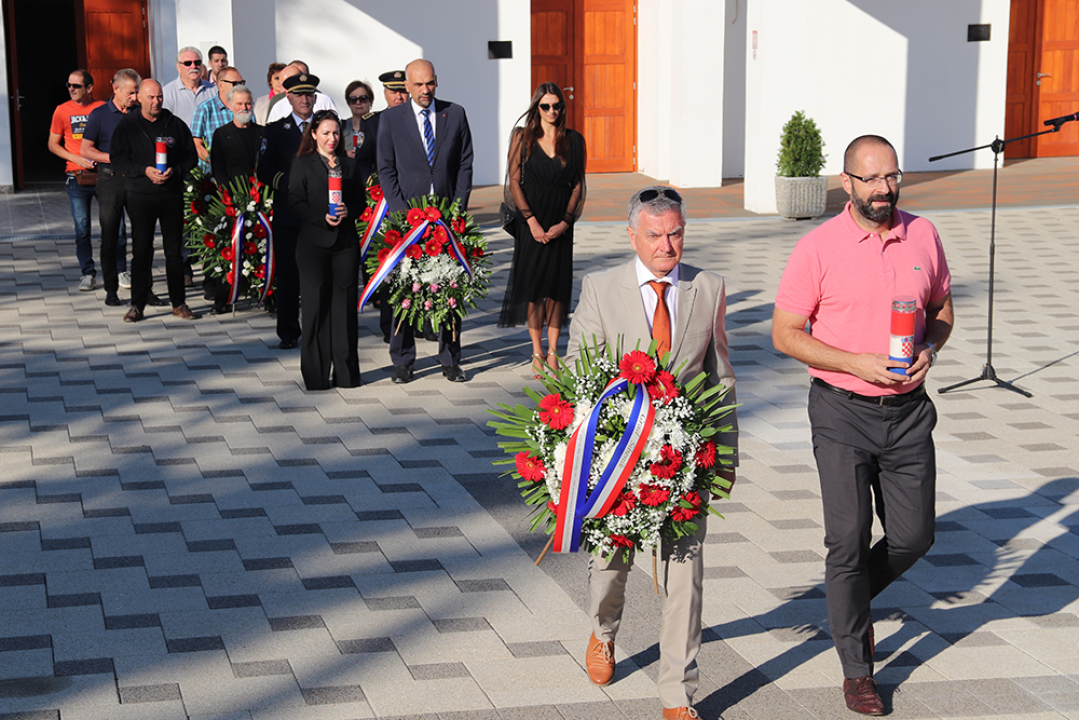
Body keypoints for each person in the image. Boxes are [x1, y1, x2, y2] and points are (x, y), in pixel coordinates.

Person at [772, 135, 954, 716]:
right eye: (871, 179)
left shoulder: (923, 234)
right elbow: (785, 334)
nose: (884, 189)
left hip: (908, 412)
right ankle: (858, 671)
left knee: (913, 537)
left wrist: (929, 346)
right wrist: (855, 362)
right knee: (846, 544)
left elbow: (942, 311)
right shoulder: (817, 248)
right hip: (841, 410)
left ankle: (845, 607)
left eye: (891, 177)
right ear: (845, 183)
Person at [564, 186, 737, 720]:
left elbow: (721, 377)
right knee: (611, 566)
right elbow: (576, 366)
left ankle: (676, 692)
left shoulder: (707, 287)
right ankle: (603, 631)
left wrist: (726, 456)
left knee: (685, 573)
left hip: (686, 463)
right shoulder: (601, 286)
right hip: (619, 459)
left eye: (676, 234)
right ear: (633, 235)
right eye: (656, 235)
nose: (668, 246)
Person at [376, 58, 474, 384]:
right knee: (405, 288)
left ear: (437, 81)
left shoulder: (455, 113)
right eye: (418, 85)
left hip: (446, 216)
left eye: (430, 83)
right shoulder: (390, 120)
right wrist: (404, 214)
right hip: (408, 218)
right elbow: (386, 170)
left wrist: (457, 210)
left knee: (448, 286)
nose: (425, 90)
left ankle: (450, 359)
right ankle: (403, 361)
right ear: (406, 86)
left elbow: (464, 164)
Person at [499, 82, 586, 377]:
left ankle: (553, 351)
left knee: (557, 289)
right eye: (546, 106)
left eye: (557, 105)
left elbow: (577, 184)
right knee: (535, 289)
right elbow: (514, 181)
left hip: (560, 222)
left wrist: (565, 222)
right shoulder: (522, 138)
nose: (552, 111)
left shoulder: (574, 140)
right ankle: (537, 350)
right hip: (531, 222)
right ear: (537, 107)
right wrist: (531, 221)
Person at [110, 79, 199, 323]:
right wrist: (143, 170)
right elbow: (117, 159)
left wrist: (175, 170)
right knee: (142, 251)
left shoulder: (175, 124)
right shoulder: (127, 125)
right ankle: (137, 304)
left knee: (173, 251)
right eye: (151, 97)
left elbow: (191, 157)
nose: (156, 101)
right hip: (140, 195)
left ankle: (178, 303)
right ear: (139, 97)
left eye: (159, 97)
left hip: (170, 194)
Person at [288, 110, 363, 390]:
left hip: (344, 244)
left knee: (344, 308)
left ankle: (346, 374)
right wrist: (321, 217)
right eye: (326, 133)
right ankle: (316, 375)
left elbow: (361, 202)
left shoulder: (349, 165)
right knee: (315, 306)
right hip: (313, 245)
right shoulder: (303, 164)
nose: (332, 138)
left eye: (335, 133)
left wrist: (349, 210)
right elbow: (295, 201)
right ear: (314, 135)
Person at [258, 72, 318, 349]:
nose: (305, 99)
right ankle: (289, 331)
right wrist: (287, 183)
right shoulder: (274, 130)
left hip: (319, 214)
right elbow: (264, 170)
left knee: (318, 275)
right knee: (289, 274)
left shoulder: (326, 128)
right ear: (288, 97)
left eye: (309, 94)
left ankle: (318, 327)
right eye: (299, 94)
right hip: (289, 212)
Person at [81, 68, 148, 307]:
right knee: (110, 236)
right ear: (115, 89)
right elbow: (86, 149)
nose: (135, 97)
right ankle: (111, 290)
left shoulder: (141, 114)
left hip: (137, 180)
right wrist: (113, 157)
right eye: (131, 92)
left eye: (137, 92)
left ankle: (144, 289)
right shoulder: (99, 114)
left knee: (142, 236)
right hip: (110, 180)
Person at [208, 84, 263, 315]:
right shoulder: (222, 133)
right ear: (230, 106)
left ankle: (266, 294)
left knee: (262, 247)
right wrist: (227, 195)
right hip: (232, 200)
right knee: (229, 250)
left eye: (248, 103)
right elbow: (217, 167)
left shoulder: (262, 132)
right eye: (239, 104)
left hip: (260, 198)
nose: (244, 107)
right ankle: (224, 297)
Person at [48, 69, 104, 292]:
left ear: (89, 88)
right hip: (77, 176)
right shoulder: (62, 111)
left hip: (104, 175)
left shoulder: (102, 108)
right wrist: (76, 158)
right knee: (82, 228)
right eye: (69, 85)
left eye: (76, 86)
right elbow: (53, 144)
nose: (71, 89)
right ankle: (87, 273)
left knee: (115, 226)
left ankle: (120, 271)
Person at [190, 66, 245, 172]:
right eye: (235, 84)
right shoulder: (205, 109)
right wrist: (213, 161)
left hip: (242, 173)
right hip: (213, 175)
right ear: (221, 85)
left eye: (241, 83)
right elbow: (196, 144)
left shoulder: (245, 109)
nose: (239, 87)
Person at [266, 60, 340, 123]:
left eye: (308, 95)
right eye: (299, 95)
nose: (304, 101)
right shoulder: (278, 106)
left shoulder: (324, 100)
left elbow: (336, 127)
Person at [161, 46, 216, 127]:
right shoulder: (167, 93)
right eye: (188, 63)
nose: (193, 66)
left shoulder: (214, 90)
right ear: (178, 67)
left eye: (197, 62)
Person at [341, 80, 376, 179]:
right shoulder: (341, 127)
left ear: (371, 101)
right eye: (353, 99)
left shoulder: (379, 125)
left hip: (372, 181)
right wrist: (345, 155)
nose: (358, 103)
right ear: (348, 103)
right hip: (348, 178)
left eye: (363, 99)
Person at [254, 62, 286, 126]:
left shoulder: (291, 99)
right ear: (270, 80)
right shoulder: (261, 101)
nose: (280, 82)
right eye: (277, 78)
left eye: (283, 78)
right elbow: (258, 123)